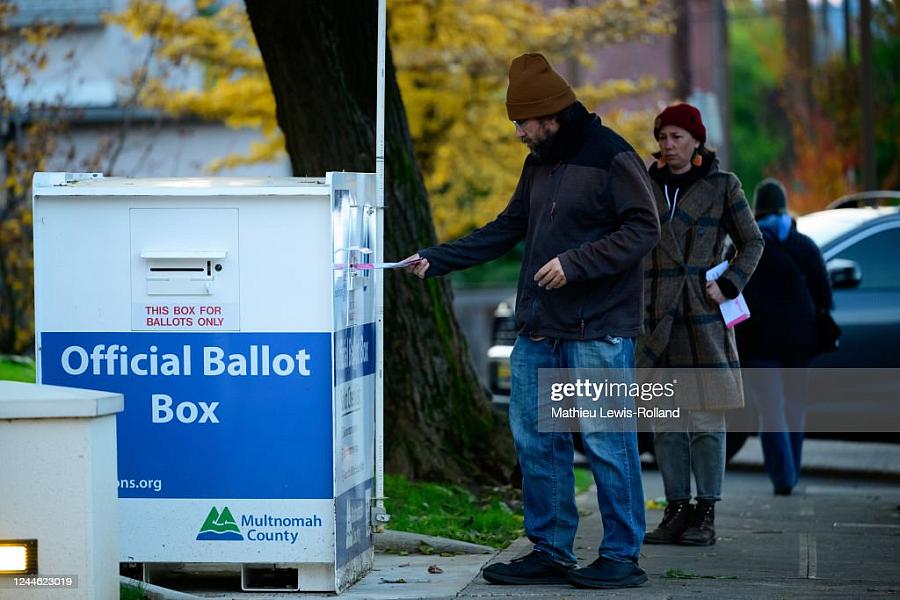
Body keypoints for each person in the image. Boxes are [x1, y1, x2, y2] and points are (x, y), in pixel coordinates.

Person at [405, 53, 660, 589]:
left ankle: (621, 555)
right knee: (537, 442)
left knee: (607, 441)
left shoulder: (613, 156)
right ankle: (550, 548)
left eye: (522, 123)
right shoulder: (539, 162)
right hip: (540, 329)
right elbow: (509, 226)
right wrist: (438, 258)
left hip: (599, 329)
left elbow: (643, 229)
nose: (518, 132)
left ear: (550, 115)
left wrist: (575, 264)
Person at [638, 103, 763, 546]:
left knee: (707, 419)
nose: (668, 146)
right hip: (654, 319)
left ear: (696, 140)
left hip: (702, 316)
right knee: (665, 421)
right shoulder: (644, 185)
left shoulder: (722, 185)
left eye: (676, 137)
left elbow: (753, 242)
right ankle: (676, 508)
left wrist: (729, 284)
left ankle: (706, 511)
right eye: (662, 137)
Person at [736, 178, 832, 495]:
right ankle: (793, 470)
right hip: (800, 343)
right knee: (795, 408)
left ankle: (783, 477)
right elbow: (825, 295)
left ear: (757, 210)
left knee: (771, 410)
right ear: (783, 207)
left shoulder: (745, 247)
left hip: (757, 344)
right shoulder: (804, 245)